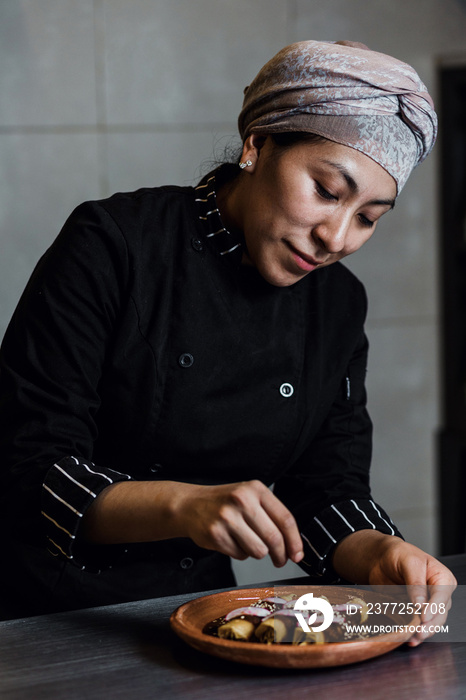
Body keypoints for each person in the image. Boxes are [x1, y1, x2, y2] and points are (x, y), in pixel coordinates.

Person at [0, 40, 456, 642]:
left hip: (205, 616)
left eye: (369, 217)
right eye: (326, 190)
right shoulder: (114, 246)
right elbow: (30, 469)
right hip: (47, 617)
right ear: (257, 145)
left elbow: (326, 489)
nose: (337, 238)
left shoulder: (338, 304)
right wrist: (186, 507)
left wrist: (379, 554)